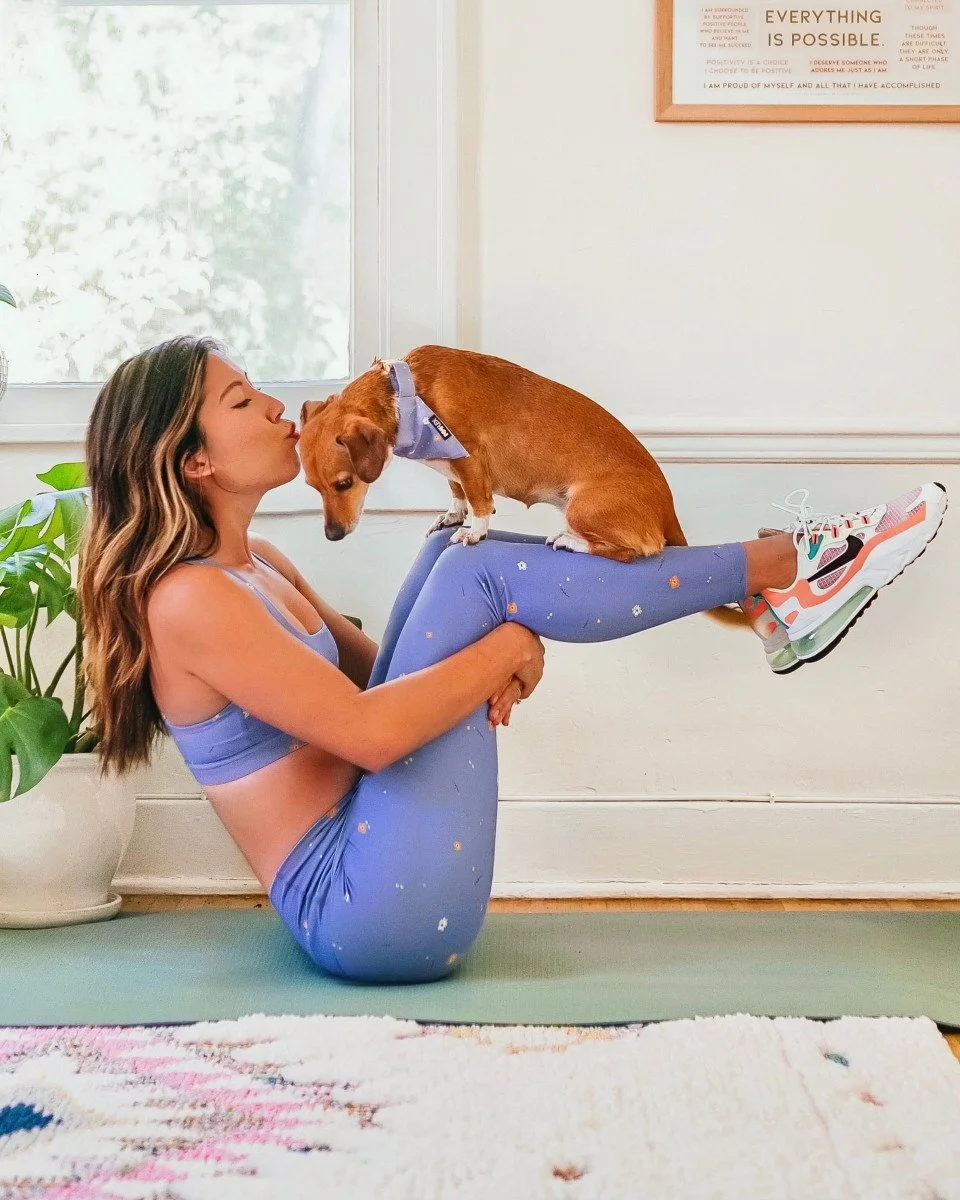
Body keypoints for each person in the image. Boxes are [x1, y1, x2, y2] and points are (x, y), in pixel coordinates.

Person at [78, 335, 947, 984]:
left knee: (452, 553)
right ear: (192, 461)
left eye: (259, 390)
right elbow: (372, 735)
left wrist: (489, 661)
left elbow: (393, 674)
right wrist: (509, 644)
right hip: (364, 908)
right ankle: (788, 571)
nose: (275, 406)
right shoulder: (187, 598)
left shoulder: (261, 567)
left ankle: (781, 589)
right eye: (241, 403)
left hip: (390, 872)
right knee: (481, 571)